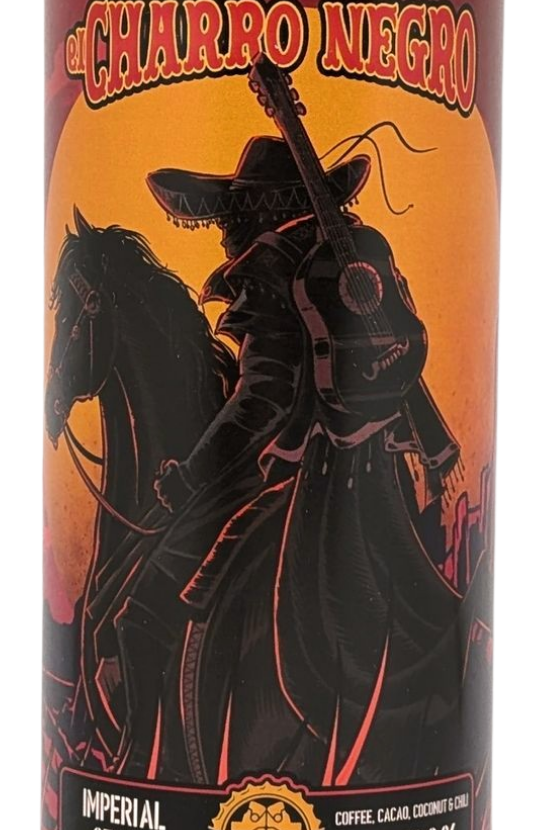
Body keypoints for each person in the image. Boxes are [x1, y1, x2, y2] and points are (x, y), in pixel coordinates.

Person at [135, 134, 474, 787]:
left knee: (144, 604)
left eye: (233, 214)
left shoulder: (270, 266)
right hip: (387, 476)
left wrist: (191, 476)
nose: (225, 231)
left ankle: (142, 770)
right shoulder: (361, 252)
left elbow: (260, 401)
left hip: (301, 474)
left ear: (261, 211)